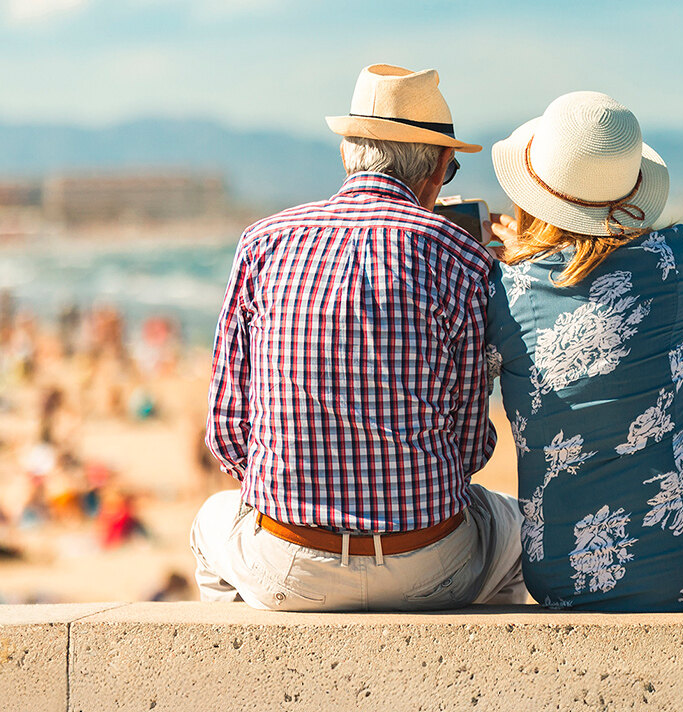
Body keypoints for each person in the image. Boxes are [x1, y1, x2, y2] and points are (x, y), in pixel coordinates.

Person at [191, 64, 523, 610]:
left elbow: (227, 436)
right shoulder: (462, 259)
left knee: (211, 522)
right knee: (511, 528)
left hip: (290, 566)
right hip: (428, 563)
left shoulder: (263, 242)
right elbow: (470, 449)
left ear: (348, 152)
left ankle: (246, 676)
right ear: (439, 169)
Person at [485, 91, 683, 611]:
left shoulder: (502, 291)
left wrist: (515, 256)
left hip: (567, 575)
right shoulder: (680, 260)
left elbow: (549, 291)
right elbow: (606, 264)